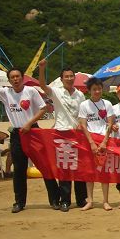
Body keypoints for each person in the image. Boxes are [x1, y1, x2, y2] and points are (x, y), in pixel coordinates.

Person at [0, 65, 48, 213]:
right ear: (9, 80)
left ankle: (55, 199)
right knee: (19, 169)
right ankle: (19, 202)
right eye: (12, 77)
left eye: (17, 76)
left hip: (33, 131)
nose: (15, 79)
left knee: (44, 165)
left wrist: (29, 123)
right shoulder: (6, 93)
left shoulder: (31, 91)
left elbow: (43, 108)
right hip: (17, 133)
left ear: (22, 77)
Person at [38, 59, 88, 212]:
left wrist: (81, 125)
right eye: (66, 76)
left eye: (71, 76)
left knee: (80, 168)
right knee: (65, 167)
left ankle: (81, 199)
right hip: (62, 133)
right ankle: (65, 200)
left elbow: (83, 114)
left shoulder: (80, 95)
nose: (69, 78)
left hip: (78, 134)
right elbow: (42, 85)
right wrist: (42, 68)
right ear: (61, 79)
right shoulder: (56, 92)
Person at [77, 77, 115, 211]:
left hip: (104, 140)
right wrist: (91, 143)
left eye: (99, 88)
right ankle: (90, 200)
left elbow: (110, 124)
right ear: (89, 91)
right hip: (89, 141)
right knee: (89, 171)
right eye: (94, 89)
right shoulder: (84, 105)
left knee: (104, 171)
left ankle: (105, 201)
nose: (97, 91)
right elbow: (83, 125)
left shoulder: (107, 104)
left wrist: (105, 141)